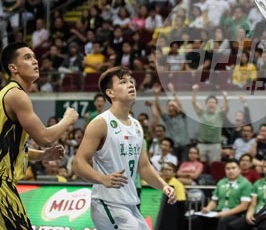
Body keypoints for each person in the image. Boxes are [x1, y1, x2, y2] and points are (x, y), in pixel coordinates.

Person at [73, 66, 176, 229]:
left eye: (131, 81)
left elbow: (144, 166)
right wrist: (103, 179)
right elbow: (78, 163)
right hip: (107, 203)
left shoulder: (136, 125)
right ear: (110, 93)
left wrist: (164, 186)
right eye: (123, 82)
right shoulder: (100, 123)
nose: (130, 85)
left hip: (130, 204)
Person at [0, 42, 79, 230]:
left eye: (34, 57)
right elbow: (45, 137)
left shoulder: (5, 94)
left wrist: (43, 155)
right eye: (27, 57)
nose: (35, 61)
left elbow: (12, 148)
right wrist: (68, 119)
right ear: (13, 68)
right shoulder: (16, 95)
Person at [228, 157, 266, 230]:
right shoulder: (257, 183)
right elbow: (253, 204)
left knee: (262, 227)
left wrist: (261, 217)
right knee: (233, 226)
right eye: (265, 167)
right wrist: (249, 214)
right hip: (256, 214)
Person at [199, 158, 253, 230]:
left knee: (223, 220)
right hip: (219, 211)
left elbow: (244, 206)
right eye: (228, 169)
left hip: (236, 213)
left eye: (233, 168)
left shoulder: (245, 184)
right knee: (196, 219)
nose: (230, 171)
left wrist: (226, 213)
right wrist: (208, 209)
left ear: (239, 169)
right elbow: (214, 201)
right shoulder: (221, 182)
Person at [192, 84, 228, 163]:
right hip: (202, 145)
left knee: (214, 166)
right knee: (201, 165)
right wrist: (194, 92)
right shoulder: (202, 113)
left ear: (216, 105)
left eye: (213, 102)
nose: (211, 104)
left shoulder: (219, 114)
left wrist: (225, 97)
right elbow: (194, 103)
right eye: (209, 102)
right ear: (206, 104)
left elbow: (226, 108)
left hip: (215, 145)